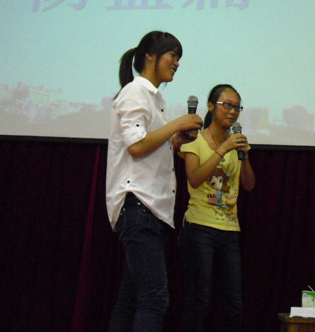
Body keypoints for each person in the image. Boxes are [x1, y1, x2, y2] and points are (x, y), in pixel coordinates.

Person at [106, 31, 203, 332]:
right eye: (172, 55)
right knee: (154, 300)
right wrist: (176, 125)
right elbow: (136, 146)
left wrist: (174, 140)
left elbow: (145, 145)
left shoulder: (152, 98)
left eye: (178, 57)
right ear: (150, 55)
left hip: (150, 211)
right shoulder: (136, 91)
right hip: (139, 206)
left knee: (130, 301)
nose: (177, 63)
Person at [178, 84, 255, 332]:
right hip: (199, 228)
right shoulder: (195, 141)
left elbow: (249, 185)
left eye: (237, 107)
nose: (233, 112)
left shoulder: (236, 145)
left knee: (233, 303)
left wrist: (245, 157)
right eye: (227, 105)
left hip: (230, 230)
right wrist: (222, 149)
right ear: (211, 107)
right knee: (198, 299)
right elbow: (194, 178)